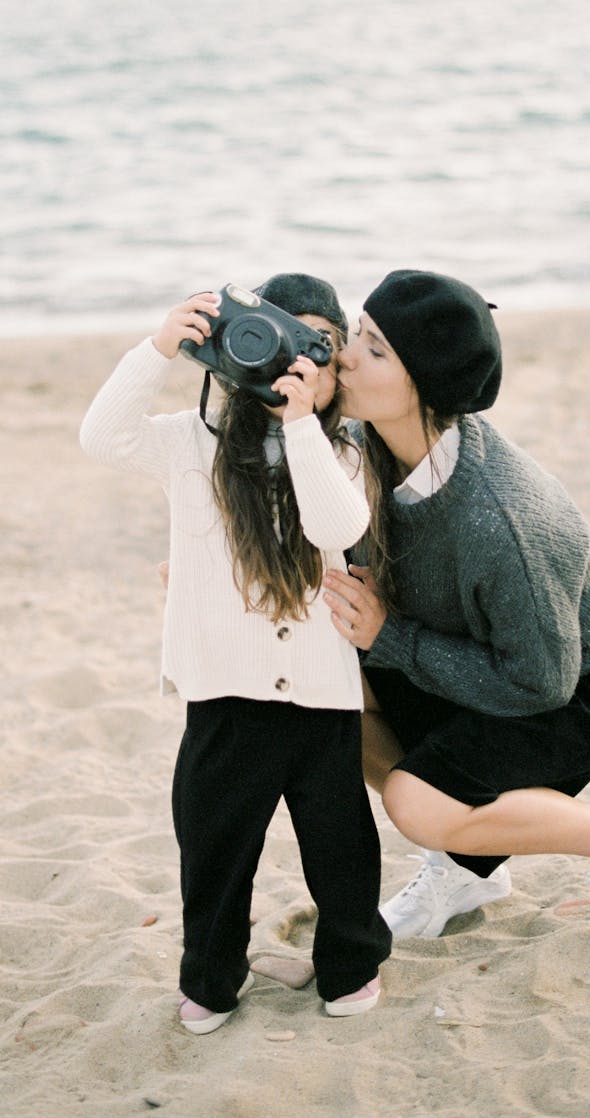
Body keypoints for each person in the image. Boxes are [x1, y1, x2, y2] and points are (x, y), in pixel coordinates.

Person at [321, 268, 590, 964]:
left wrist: (390, 636)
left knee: (418, 801)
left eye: (372, 350)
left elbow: (540, 682)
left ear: (422, 387)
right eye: (355, 333)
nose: (346, 357)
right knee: (329, 704)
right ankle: (469, 873)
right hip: (476, 647)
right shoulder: (371, 443)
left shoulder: (502, 521)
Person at [80, 274, 391, 1034]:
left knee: (339, 847)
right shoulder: (193, 445)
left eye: (312, 347)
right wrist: (161, 347)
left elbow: (332, 525)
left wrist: (301, 423)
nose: (289, 362)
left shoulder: (341, 450)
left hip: (319, 693)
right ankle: (211, 982)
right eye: (275, 337)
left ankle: (348, 969)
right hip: (225, 691)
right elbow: (103, 437)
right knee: (215, 849)